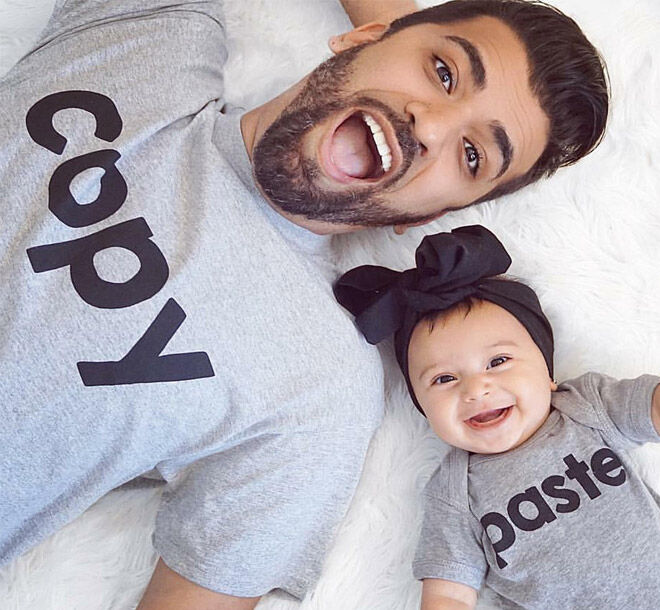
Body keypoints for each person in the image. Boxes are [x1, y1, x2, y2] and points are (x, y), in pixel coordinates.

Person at [0, 0, 608, 607]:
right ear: (363, 36)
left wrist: (411, 55)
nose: (430, 127)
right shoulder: (152, 42)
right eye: (444, 72)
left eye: (472, 155)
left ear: (432, 215)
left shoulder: (319, 391)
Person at [334, 225, 660, 609]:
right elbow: (450, 590)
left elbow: (651, 405)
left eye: (498, 361)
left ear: (547, 372)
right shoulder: (455, 491)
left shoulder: (586, 407)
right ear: (423, 408)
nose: (475, 390)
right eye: (444, 379)